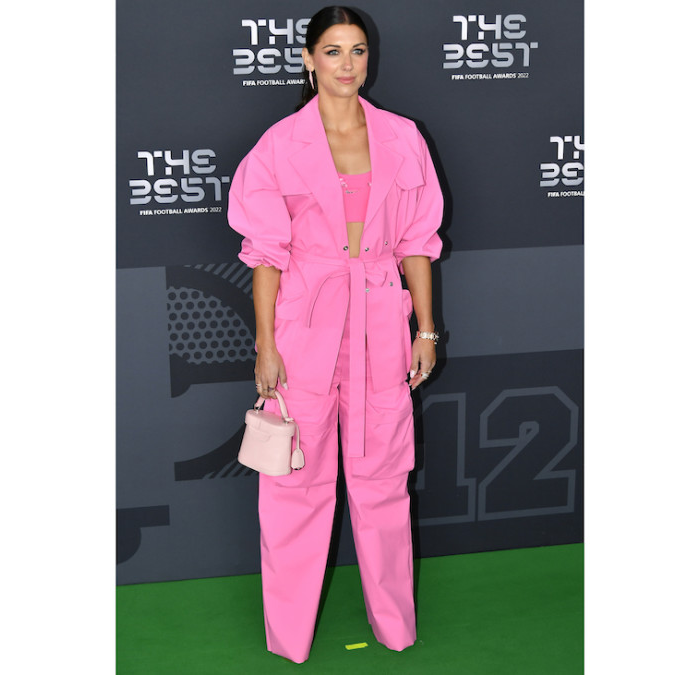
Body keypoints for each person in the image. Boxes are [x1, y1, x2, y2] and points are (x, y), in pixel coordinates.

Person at [227, 5, 444, 664]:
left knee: (381, 480)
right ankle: (288, 635)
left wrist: (427, 329)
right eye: (332, 51)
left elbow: (416, 244)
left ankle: (395, 624)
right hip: (306, 327)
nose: (347, 64)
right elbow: (266, 255)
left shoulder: (403, 137)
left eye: (356, 51)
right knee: (294, 484)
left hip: (380, 322)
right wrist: (265, 343)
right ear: (307, 59)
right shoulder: (278, 145)